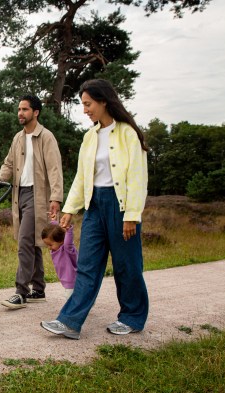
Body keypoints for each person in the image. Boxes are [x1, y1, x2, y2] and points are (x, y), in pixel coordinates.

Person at [41, 78, 149, 340]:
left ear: (103, 101)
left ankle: (132, 318)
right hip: (94, 206)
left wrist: (132, 215)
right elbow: (82, 176)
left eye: (88, 104)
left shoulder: (127, 133)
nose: (85, 109)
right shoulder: (90, 137)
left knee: (127, 266)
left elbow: (137, 176)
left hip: (121, 206)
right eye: (83, 105)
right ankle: (69, 322)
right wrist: (70, 208)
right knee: (87, 266)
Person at [0, 94, 64, 309]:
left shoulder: (46, 137)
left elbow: (55, 169)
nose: (20, 113)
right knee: (32, 242)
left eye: (25, 109)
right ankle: (38, 289)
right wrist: (0, 178)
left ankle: (21, 292)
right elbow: (9, 163)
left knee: (24, 243)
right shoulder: (18, 138)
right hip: (19, 195)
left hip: (38, 195)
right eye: (19, 109)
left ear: (36, 112)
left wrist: (56, 198)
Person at [41, 220, 77, 299]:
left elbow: (68, 242)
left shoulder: (67, 249)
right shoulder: (55, 249)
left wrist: (69, 229)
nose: (49, 247)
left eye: (50, 244)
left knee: (70, 299)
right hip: (68, 282)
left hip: (73, 281)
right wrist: (53, 220)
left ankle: (84, 304)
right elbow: (55, 229)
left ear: (61, 240)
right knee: (73, 299)